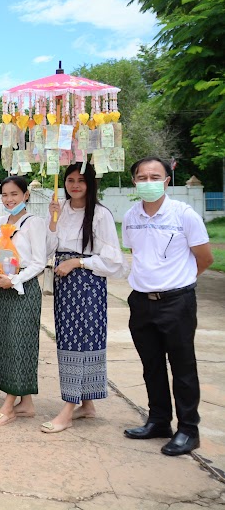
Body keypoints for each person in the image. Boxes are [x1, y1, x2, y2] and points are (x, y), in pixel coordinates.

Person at [121, 157, 213, 456]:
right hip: (141, 301)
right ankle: (159, 421)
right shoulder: (131, 216)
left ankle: (188, 430)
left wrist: (179, 282)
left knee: (183, 367)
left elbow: (205, 258)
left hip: (176, 302)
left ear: (166, 181)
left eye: (154, 177)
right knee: (152, 366)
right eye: (142, 177)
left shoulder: (184, 215)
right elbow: (138, 252)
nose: (148, 182)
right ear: (134, 181)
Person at [44, 163, 126, 433]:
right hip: (64, 284)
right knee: (68, 339)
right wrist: (53, 220)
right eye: (70, 180)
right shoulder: (61, 209)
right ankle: (87, 404)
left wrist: (78, 262)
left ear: (90, 183)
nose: (75, 185)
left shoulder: (100, 214)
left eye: (81, 180)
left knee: (83, 340)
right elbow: (49, 248)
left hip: (88, 284)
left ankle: (68, 409)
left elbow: (113, 260)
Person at [0, 176, 47, 427]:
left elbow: (39, 262)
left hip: (23, 289)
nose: (9, 199)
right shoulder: (0, 223)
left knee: (21, 343)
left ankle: (9, 405)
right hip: (3, 287)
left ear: (26, 196)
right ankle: (26, 403)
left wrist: (15, 280)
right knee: (8, 345)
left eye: (14, 194)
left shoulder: (34, 223)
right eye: (5, 194)